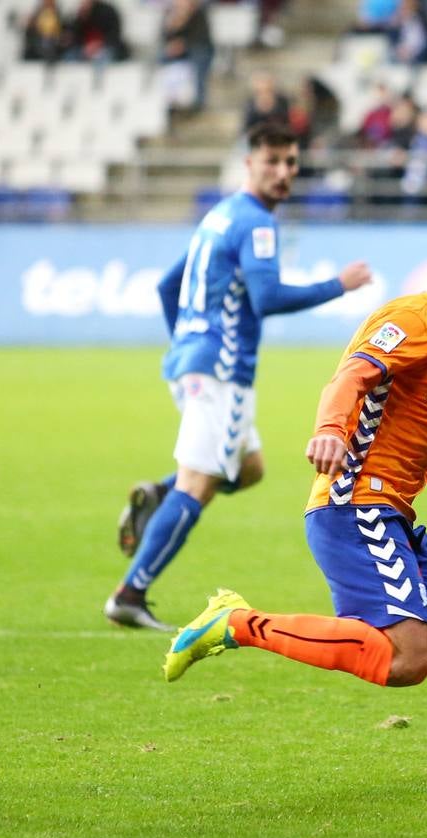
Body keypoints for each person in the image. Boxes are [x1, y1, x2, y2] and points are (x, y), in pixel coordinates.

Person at [162, 228, 427, 818]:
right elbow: (352, 377)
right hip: (356, 508)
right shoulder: (416, 321)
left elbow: (408, 433)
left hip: (392, 514)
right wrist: (329, 429)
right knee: (406, 661)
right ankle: (237, 623)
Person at [104, 122, 373, 631]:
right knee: (200, 482)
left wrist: (187, 344)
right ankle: (129, 593)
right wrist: (338, 285)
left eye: (291, 162)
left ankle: (159, 496)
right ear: (249, 163)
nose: (282, 172)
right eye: (271, 161)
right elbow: (266, 297)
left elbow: (168, 285)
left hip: (196, 362)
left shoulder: (221, 214)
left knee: (248, 469)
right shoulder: (257, 223)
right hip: (220, 371)